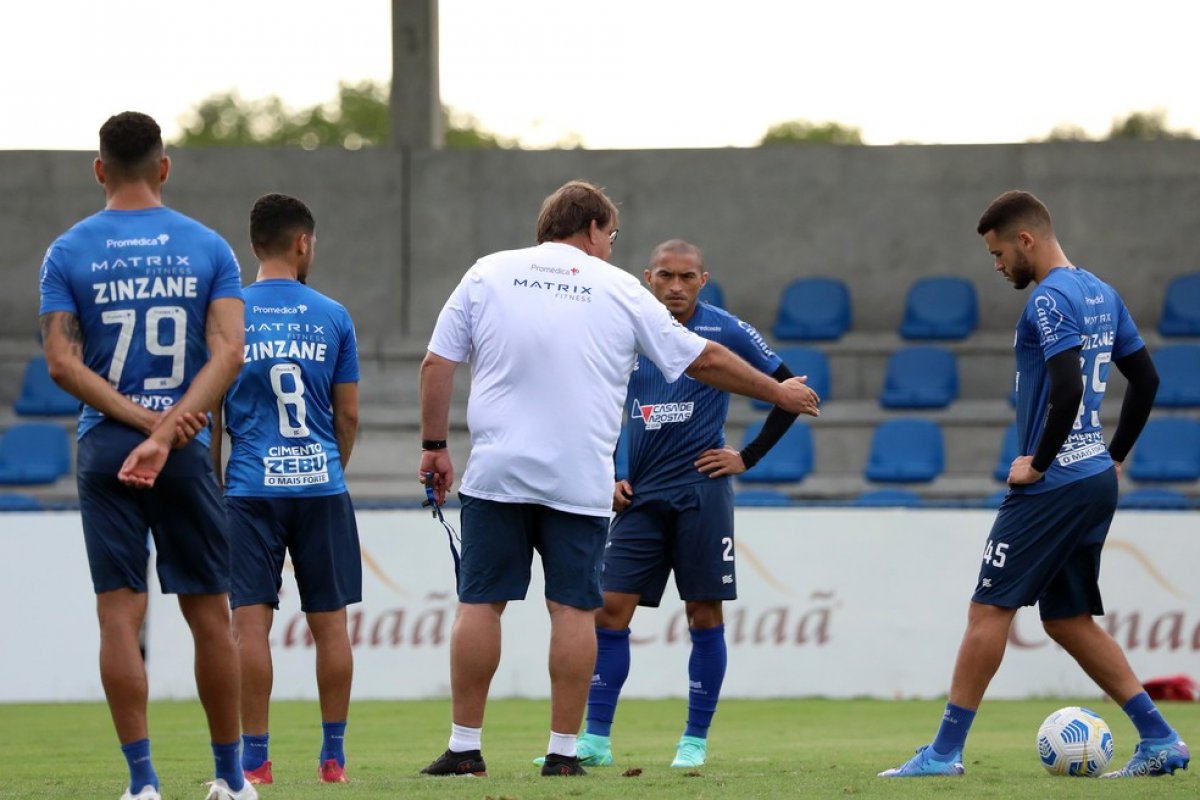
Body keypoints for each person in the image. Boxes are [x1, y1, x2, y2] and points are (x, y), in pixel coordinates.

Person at [417, 180, 821, 778]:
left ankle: (464, 747)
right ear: (591, 229)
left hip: (497, 474)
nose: (609, 247)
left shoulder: (487, 272)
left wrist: (433, 447)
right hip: (580, 482)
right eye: (610, 236)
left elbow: (437, 363)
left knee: (481, 604)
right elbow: (699, 358)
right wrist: (774, 390)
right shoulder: (617, 288)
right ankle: (562, 753)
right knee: (576, 611)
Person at [879, 190, 1189, 779]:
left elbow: (1068, 388)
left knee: (987, 609)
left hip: (1057, 482)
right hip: (1094, 476)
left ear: (1027, 240)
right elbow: (1146, 379)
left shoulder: (1049, 299)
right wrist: (1114, 454)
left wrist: (1039, 462)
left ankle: (943, 754)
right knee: (1066, 618)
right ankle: (1160, 738)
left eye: (998, 254)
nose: (997, 267)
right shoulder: (1101, 291)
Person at [37, 112, 255, 800]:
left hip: (106, 446)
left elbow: (61, 363)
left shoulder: (67, 251)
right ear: (164, 167)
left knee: (118, 617)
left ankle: (142, 784)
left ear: (100, 170)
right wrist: (167, 432)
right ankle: (229, 780)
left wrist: (136, 424)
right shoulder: (208, 247)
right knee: (209, 616)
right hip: (186, 447)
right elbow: (230, 352)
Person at [560, 239, 802, 770]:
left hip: (701, 494)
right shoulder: (627, 327)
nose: (675, 286)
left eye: (686, 277)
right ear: (648, 278)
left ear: (703, 280)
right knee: (609, 611)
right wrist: (615, 472)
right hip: (640, 497)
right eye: (665, 276)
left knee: (703, 613)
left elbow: (791, 391)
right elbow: (613, 409)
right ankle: (595, 740)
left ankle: (693, 742)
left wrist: (748, 456)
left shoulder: (726, 329)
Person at [210, 194, 361, 786]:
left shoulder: (228, 316)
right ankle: (333, 759)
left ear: (254, 245)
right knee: (331, 624)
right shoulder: (333, 315)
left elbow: (214, 418)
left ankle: (255, 760)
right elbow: (347, 417)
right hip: (321, 484)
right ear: (303, 243)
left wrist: (223, 481)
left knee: (248, 626)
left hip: (250, 488)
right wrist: (330, 466)